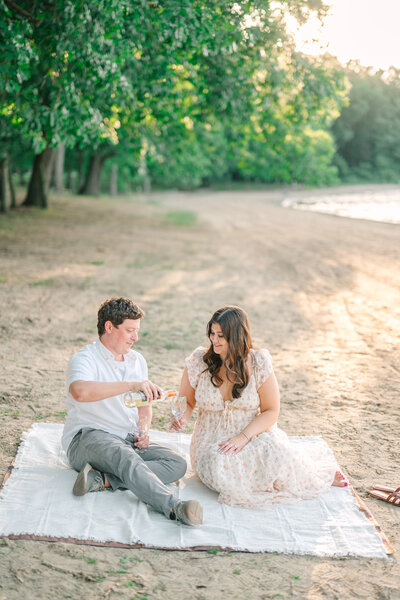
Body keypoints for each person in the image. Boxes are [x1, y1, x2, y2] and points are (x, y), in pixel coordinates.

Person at [170, 305, 347, 509]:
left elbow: (271, 410)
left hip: (252, 432)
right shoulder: (199, 361)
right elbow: (188, 401)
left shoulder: (258, 362)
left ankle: (313, 474)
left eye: (221, 335)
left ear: (237, 336)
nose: (214, 340)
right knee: (220, 467)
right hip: (211, 439)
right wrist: (182, 418)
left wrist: (243, 437)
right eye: (212, 333)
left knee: (276, 454)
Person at [61, 297, 203, 526]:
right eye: (129, 331)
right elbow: (80, 392)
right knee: (125, 457)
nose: (135, 337)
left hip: (126, 440)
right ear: (109, 327)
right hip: (87, 438)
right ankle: (174, 508)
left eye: (136, 331)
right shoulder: (84, 358)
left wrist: (143, 429)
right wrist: (131, 384)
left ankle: (105, 479)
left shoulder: (137, 360)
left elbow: (143, 408)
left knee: (177, 463)